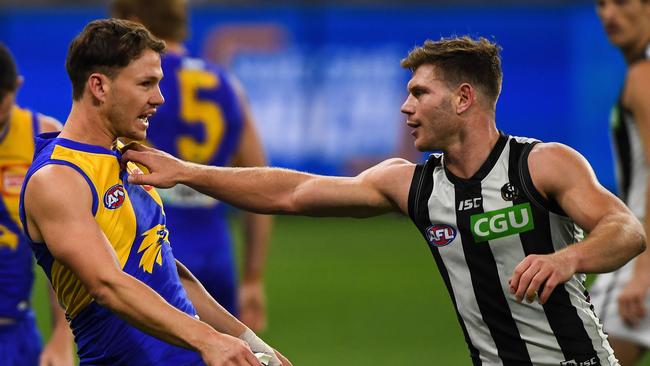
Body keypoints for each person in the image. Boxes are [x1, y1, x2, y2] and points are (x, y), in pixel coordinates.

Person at [124, 36, 646, 365]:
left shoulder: (542, 163)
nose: (405, 107)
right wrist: (188, 171)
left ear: (463, 99)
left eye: (420, 93)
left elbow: (626, 229)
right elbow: (295, 191)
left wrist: (568, 258)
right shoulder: (412, 184)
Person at [19, 19, 289, 366]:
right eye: (147, 84)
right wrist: (209, 340)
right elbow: (107, 284)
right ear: (99, 86)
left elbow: (167, 273)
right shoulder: (57, 178)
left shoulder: (126, 160)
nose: (159, 98)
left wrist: (253, 344)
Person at [109, 0, 272, 330]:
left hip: (153, 245)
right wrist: (253, 277)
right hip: (215, 248)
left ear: (134, 23)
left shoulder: (135, 81)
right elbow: (259, 181)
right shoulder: (227, 84)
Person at [0, 42, 74, 366]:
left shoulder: (42, 136)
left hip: (15, 338)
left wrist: (61, 337)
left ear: (16, 87)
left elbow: (64, 252)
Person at [589, 1, 650, 364]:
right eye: (601, 3)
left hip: (640, 250)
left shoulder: (643, 75)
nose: (608, 14)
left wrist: (643, 272)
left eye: (622, 2)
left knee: (579, 350)